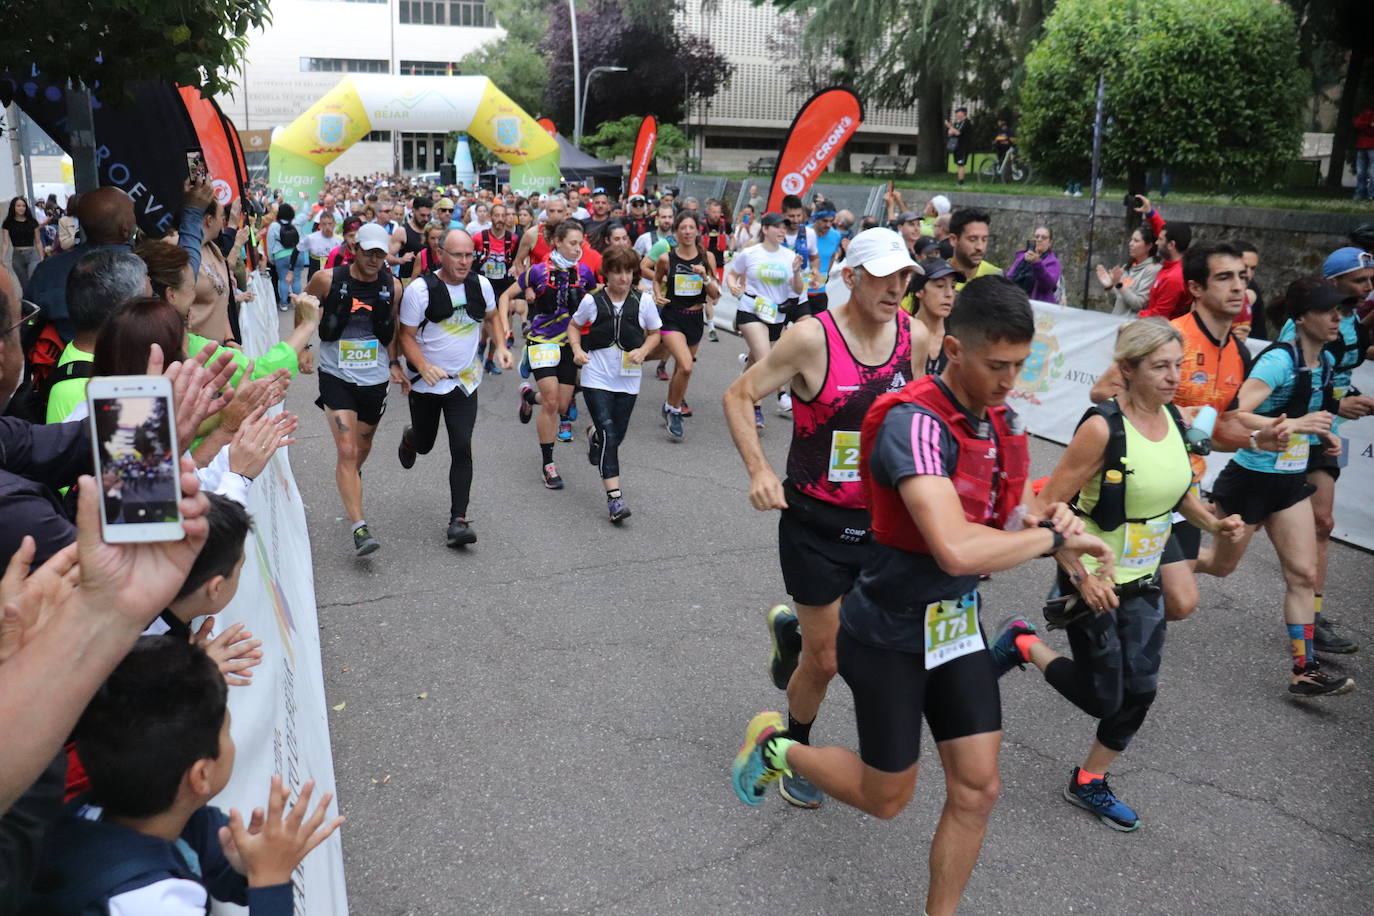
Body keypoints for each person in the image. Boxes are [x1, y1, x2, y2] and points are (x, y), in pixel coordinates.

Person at [730, 277, 1111, 916]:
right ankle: (776, 746)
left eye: (1019, 366)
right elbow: (955, 548)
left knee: (978, 789)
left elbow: (1009, 508)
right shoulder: (915, 422)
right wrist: (1046, 541)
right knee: (888, 798)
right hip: (887, 633)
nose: (1009, 381)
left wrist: (1058, 531)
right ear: (955, 350)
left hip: (956, 626)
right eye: (997, 365)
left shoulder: (999, 418)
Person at [1003, 319, 1244, 831]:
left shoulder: (1175, 420)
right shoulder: (1102, 428)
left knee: (1140, 691)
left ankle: (1089, 780)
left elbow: (1179, 494)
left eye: (1177, 365)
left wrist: (1217, 524)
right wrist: (1079, 572)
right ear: (1128, 370)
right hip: (1095, 578)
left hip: (1145, 580)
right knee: (1100, 696)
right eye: (1160, 367)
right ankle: (1022, 642)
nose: (1172, 376)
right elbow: (1045, 506)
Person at [725, 227, 924, 809]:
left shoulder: (911, 334)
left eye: (904, 275)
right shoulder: (811, 338)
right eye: (884, 274)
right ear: (852, 275)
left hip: (884, 526)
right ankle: (792, 744)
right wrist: (760, 472)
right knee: (829, 659)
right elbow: (739, 395)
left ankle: (792, 635)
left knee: (875, 648)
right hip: (816, 525)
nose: (896, 286)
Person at [28, 636, 343, 914]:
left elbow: (202, 856)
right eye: (227, 731)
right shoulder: (148, 903)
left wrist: (246, 869)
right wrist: (270, 881)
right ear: (201, 775)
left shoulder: (101, 809)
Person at [1093, 241, 1277, 623]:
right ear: (1195, 288)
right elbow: (1102, 391)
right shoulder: (1167, 337)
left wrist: (1259, 438)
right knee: (1167, 597)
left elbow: (1219, 427)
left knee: (1178, 602)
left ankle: (1111, 615)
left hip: (1184, 485)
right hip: (1137, 479)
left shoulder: (1239, 354)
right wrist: (1175, 412)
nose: (1239, 287)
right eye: (1224, 278)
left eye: (1242, 277)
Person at [1207, 278, 1355, 697]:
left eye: (1341, 311)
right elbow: (1234, 415)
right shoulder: (1278, 361)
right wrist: (1293, 425)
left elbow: (1312, 409)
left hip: (1289, 481)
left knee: (1304, 574)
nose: (1338, 318)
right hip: (1249, 479)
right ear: (1301, 318)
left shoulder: (1324, 362)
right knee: (1220, 567)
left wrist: (1323, 435)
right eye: (1329, 310)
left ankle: (1304, 669)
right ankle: (1159, 573)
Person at [1267, 247, 1374, 655]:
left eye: (1370, 281)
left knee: (1323, 522)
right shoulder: (1305, 325)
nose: (1367, 289)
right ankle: (1174, 564)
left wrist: (1350, 400)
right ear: (1333, 283)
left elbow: (1341, 375)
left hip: (1327, 434)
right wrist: (1335, 403)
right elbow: (1290, 382)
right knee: (1236, 536)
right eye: (1358, 281)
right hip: (1292, 432)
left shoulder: (1356, 325)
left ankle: (1312, 614)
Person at [396, 229, 512, 547]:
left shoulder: (481, 285)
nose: (464, 262)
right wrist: (422, 366)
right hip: (427, 383)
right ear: (441, 254)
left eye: (469, 255)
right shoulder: (421, 290)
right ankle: (411, 438)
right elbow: (405, 335)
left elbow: (491, 317)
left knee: (462, 445)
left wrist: (501, 345)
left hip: (464, 381)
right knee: (425, 443)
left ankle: (458, 520)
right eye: (457, 255)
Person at [302, 223, 405, 557]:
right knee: (346, 450)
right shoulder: (328, 279)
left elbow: (393, 326)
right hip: (336, 375)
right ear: (354, 250)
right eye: (369, 253)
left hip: (373, 378)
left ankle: (352, 477)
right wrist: (303, 345)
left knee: (362, 446)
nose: (375, 260)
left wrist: (394, 364)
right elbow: (305, 306)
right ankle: (359, 528)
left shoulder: (394, 285)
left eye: (380, 253)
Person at [567, 245, 662, 523]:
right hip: (596, 375)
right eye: (617, 272)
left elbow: (655, 334)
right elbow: (574, 326)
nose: (623, 278)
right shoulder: (591, 301)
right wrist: (576, 350)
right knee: (609, 432)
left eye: (628, 272)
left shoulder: (643, 302)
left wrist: (644, 351)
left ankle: (593, 434)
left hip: (628, 378)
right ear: (606, 273)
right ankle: (615, 499)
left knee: (616, 436)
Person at [506, 220, 599, 489]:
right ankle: (548, 465)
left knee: (560, 405)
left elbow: (596, 303)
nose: (577, 248)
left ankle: (527, 396)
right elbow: (507, 296)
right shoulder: (538, 271)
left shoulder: (584, 272)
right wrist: (503, 329)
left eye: (580, 243)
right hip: (542, 341)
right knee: (550, 403)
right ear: (557, 242)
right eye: (572, 243)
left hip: (571, 344)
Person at [725, 213, 805, 429]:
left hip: (776, 314)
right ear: (766, 229)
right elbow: (732, 274)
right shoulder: (750, 253)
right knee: (765, 359)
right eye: (777, 227)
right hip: (750, 309)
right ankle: (755, 406)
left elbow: (798, 289)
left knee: (754, 360)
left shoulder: (790, 257)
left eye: (784, 228)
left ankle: (737, 392)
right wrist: (733, 285)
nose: (782, 231)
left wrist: (797, 273)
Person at [651, 211, 718, 440]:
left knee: (682, 369)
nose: (687, 232)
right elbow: (656, 279)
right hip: (672, 318)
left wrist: (705, 277)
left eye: (691, 227)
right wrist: (657, 294)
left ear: (697, 231)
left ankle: (669, 406)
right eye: (683, 228)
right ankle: (675, 410)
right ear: (676, 232)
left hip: (695, 319)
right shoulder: (666, 258)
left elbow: (716, 295)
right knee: (687, 366)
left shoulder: (706, 257)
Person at [1136, 197, 1193, 320]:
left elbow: (1159, 316)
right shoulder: (1174, 263)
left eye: (1160, 240)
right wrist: (1150, 213)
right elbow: (1162, 231)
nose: (1156, 242)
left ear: (1171, 245)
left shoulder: (1174, 278)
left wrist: (1132, 318)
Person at [901, 258, 961, 375]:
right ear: (919, 291)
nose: (949, 294)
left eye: (953, 287)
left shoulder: (958, 336)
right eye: (940, 286)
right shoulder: (902, 335)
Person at [1097, 224, 1162, 317]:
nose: (1130, 244)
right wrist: (1110, 285)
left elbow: (1139, 304)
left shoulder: (1153, 270)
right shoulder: (1128, 266)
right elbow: (1120, 298)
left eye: (1136, 241)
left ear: (1149, 246)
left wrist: (1119, 284)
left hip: (1132, 327)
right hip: (1117, 323)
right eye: (1131, 240)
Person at [1007, 225, 1062, 303]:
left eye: (1043, 237)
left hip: (1038, 306)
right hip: (1015, 302)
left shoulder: (1053, 262)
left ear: (1050, 242)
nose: (1039, 240)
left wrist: (1037, 263)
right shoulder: (1022, 257)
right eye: (1037, 237)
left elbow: (1048, 285)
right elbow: (1009, 277)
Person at [948, 209, 1000, 290]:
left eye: (984, 239)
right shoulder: (937, 279)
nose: (980, 247)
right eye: (972, 239)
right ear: (953, 240)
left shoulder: (997, 278)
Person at [266, 203, 303, 311]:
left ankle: (284, 304)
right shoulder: (296, 224)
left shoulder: (274, 226)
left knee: (283, 280)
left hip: (281, 256)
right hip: (298, 254)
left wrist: (271, 257)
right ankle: (298, 303)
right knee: (296, 279)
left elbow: (270, 243)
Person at [2, 198, 42, 292]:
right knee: (24, 284)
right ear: (13, 207)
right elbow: (5, 243)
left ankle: (36, 302)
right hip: (17, 256)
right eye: (18, 206)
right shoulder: (8, 223)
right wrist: (3, 258)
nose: (21, 208)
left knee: (33, 279)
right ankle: (29, 304)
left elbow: (38, 241)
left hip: (32, 254)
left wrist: (41, 257)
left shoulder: (32, 222)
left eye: (23, 206)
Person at [390, 196, 432, 280]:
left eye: (428, 215)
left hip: (429, 280)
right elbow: (387, 257)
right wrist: (400, 260)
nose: (426, 219)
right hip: (408, 280)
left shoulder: (431, 230)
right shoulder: (402, 231)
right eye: (422, 215)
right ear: (413, 211)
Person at [300, 210, 339, 279]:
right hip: (314, 276)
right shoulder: (311, 238)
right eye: (324, 224)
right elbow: (297, 250)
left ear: (334, 224)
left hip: (332, 277)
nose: (327, 227)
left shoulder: (340, 240)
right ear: (320, 225)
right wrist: (291, 271)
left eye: (330, 224)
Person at [946, 106, 973, 186]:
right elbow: (951, 133)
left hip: (963, 147)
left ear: (963, 113)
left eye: (958, 113)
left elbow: (958, 133)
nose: (956, 115)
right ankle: (959, 181)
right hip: (957, 146)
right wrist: (951, 130)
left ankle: (961, 182)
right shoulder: (959, 123)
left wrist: (950, 126)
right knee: (958, 164)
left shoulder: (966, 122)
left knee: (961, 164)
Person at [1353, 105, 1373, 202]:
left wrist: (1365, 125)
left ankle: (1371, 195)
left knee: (1372, 173)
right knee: (1361, 172)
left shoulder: (1366, 114)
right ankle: (1360, 195)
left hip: (1371, 145)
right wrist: (1369, 124)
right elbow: (1357, 124)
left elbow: (1360, 124)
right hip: (1362, 145)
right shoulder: (1366, 113)